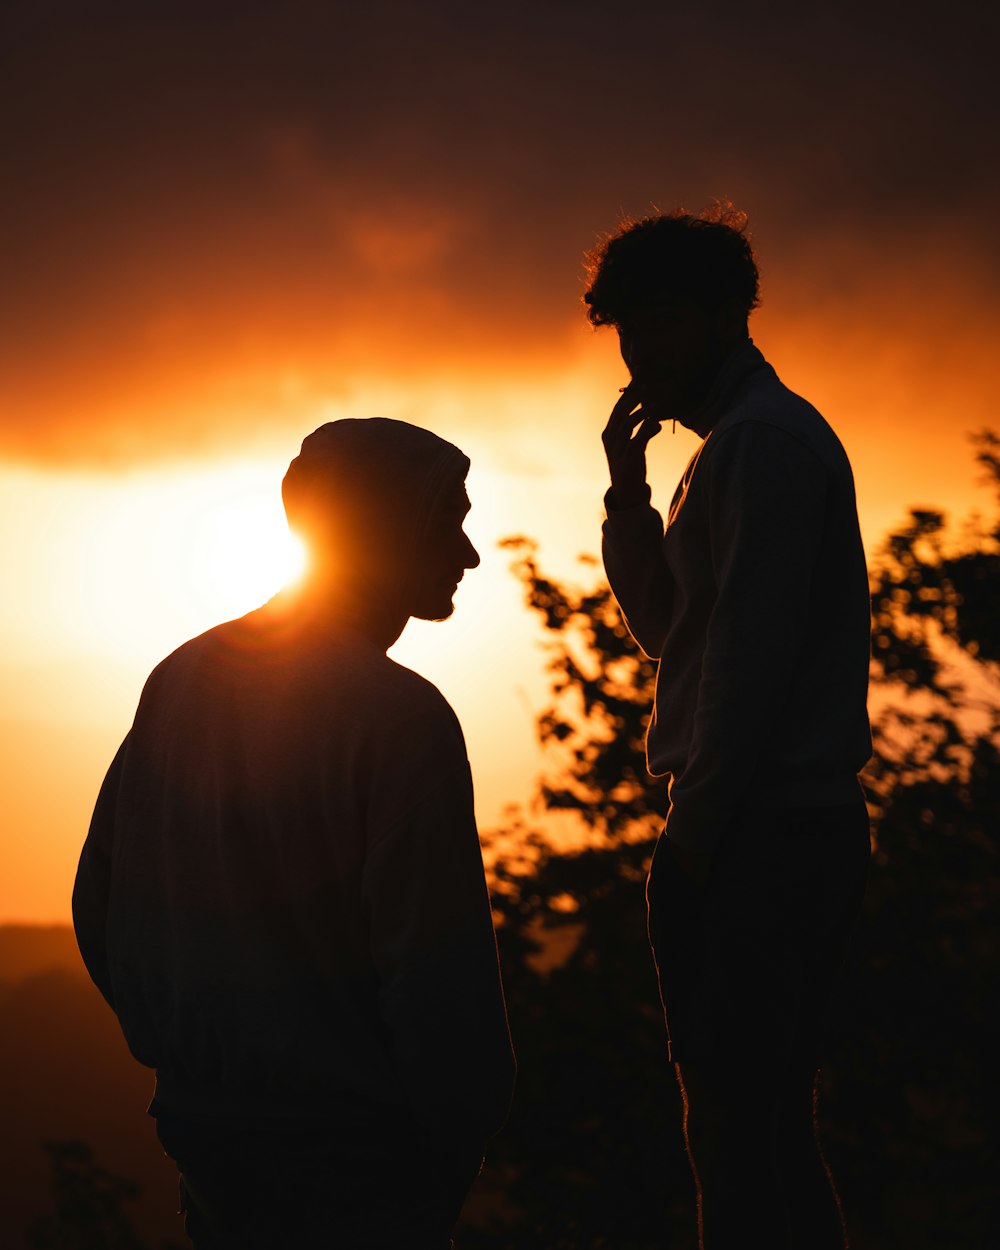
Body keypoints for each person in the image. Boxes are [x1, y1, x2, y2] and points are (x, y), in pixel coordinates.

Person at [73, 417, 516, 1250]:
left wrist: (184, 1056)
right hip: (358, 1159)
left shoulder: (180, 679)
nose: (468, 554)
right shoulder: (401, 720)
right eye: (447, 520)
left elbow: (99, 907)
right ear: (384, 524)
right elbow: (436, 970)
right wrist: (460, 1129)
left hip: (206, 1139)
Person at [585, 206, 872, 1249]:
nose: (637, 356)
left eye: (657, 325)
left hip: (764, 832)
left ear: (720, 318)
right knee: (750, 1134)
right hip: (763, 827)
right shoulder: (738, 449)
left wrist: (692, 840)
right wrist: (627, 502)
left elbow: (745, 672)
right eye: (626, 331)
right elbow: (674, 630)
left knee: (746, 1139)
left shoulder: (761, 445)